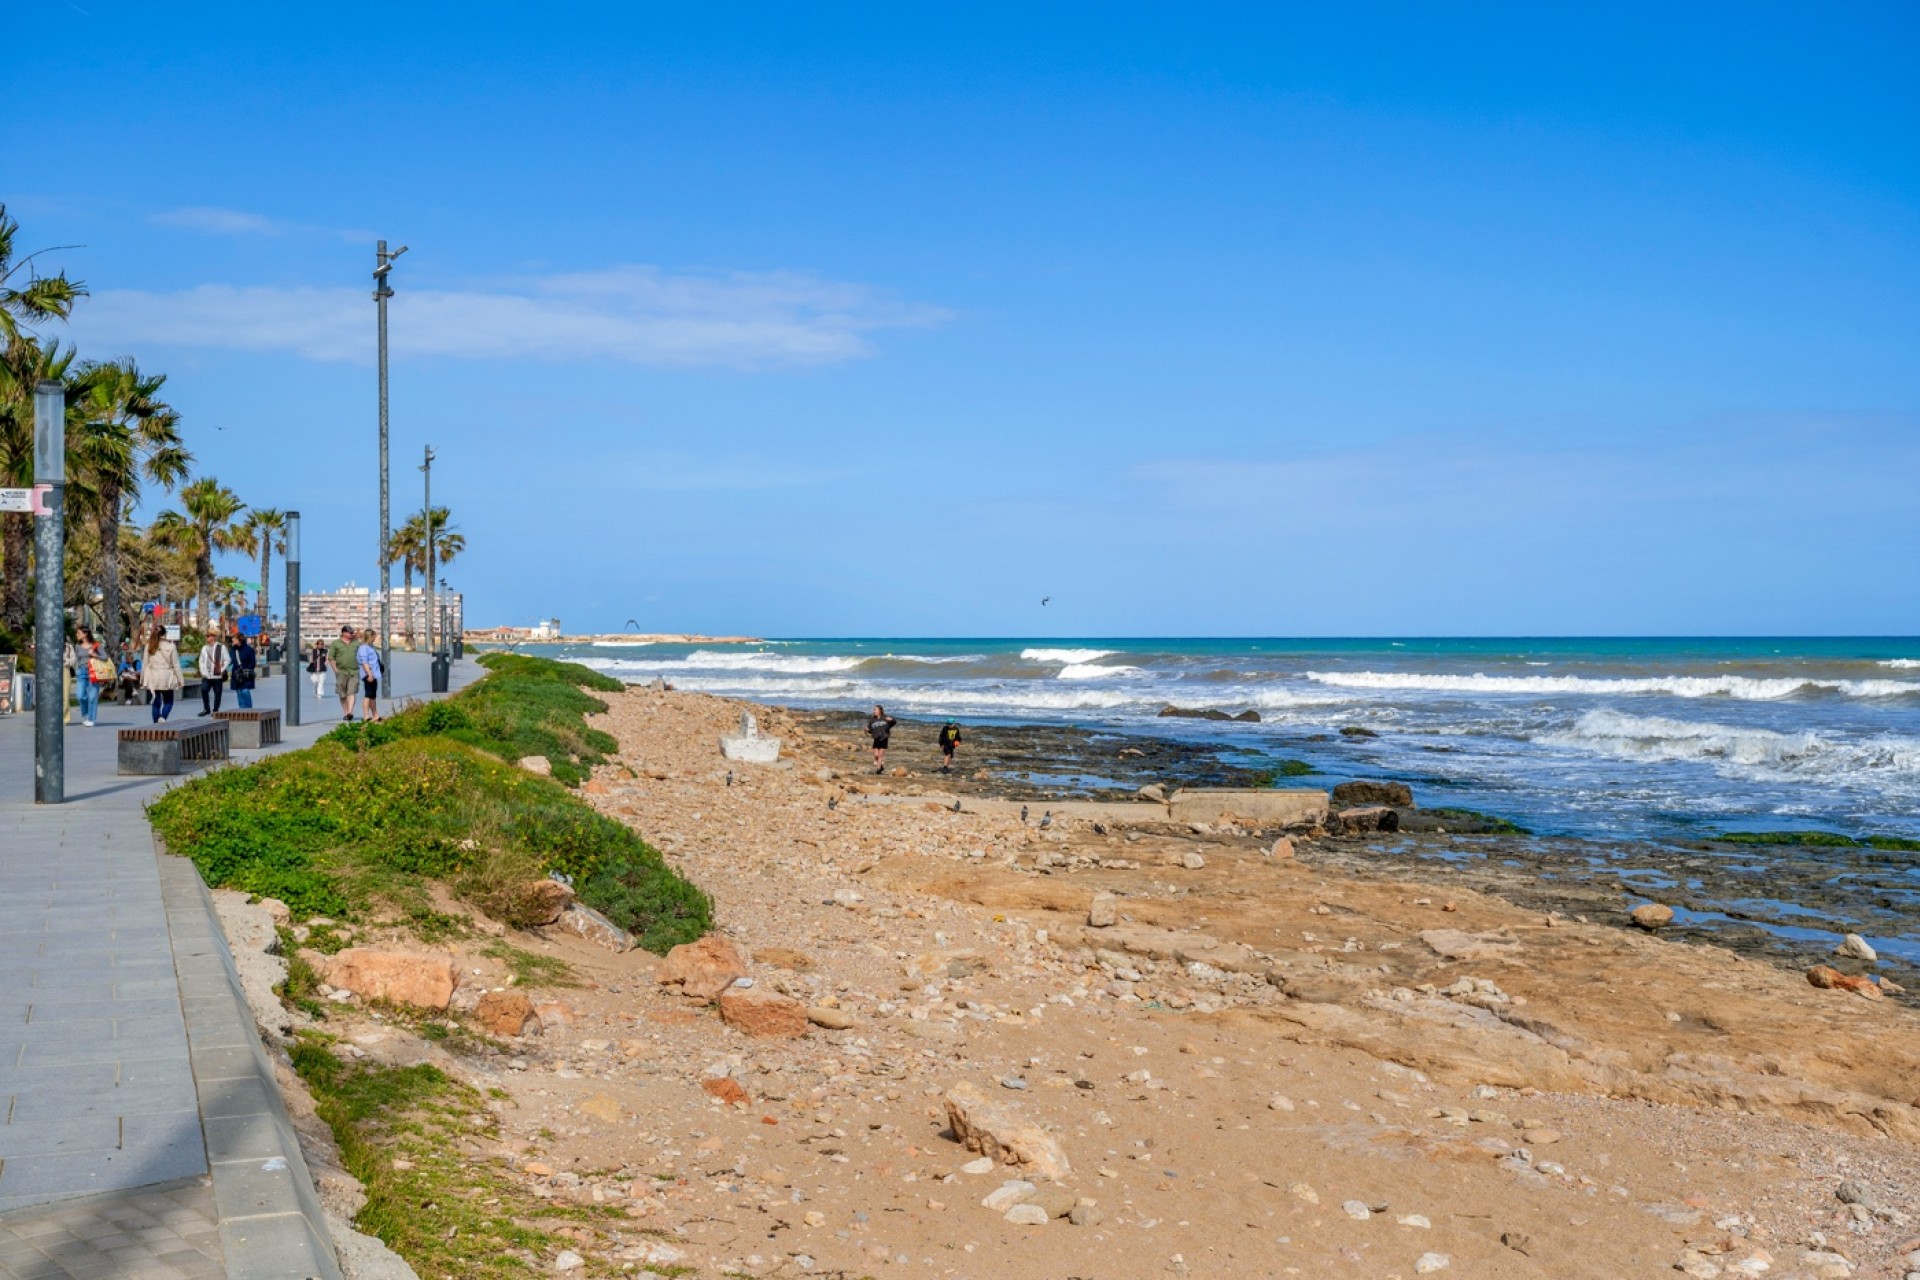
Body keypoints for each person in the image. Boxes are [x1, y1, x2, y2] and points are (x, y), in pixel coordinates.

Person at [140, 625, 183, 722]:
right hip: (167, 676)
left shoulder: (149, 646)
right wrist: (181, 680)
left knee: (156, 702)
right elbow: (176, 665)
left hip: (153, 677)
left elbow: (145, 664)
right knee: (168, 701)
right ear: (165, 634)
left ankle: (156, 723)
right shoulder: (171, 646)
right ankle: (163, 717)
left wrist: (142, 679)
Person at [328, 625, 360, 721]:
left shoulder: (356, 643)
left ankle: (350, 712)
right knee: (342, 694)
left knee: (352, 692)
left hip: (354, 671)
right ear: (344, 633)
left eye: (352, 633)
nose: (351, 634)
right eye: (350, 633)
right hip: (341, 672)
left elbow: (363, 653)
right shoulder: (336, 643)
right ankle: (346, 712)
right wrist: (335, 669)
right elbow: (331, 657)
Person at [77, 634, 110, 727]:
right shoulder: (78, 646)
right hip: (82, 672)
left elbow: (105, 657)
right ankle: (86, 714)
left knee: (92, 696)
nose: (77, 634)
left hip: (94, 672)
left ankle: (91, 718)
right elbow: (77, 659)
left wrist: (94, 654)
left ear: (85, 634)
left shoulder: (96, 645)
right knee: (80, 696)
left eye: (78, 632)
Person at [198, 631, 232, 715]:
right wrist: (202, 670)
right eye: (206, 636)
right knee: (204, 690)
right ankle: (206, 709)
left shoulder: (221, 647)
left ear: (213, 637)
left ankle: (215, 710)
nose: (206, 638)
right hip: (207, 675)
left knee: (217, 693)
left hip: (217, 675)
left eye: (208, 636)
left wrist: (222, 669)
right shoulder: (204, 648)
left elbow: (228, 659)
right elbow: (201, 661)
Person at [356, 628, 384, 722]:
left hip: (373, 674)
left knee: (372, 695)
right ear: (371, 636)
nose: (376, 638)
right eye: (375, 636)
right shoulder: (363, 648)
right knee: (368, 694)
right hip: (368, 674)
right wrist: (369, 674)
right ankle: (366, 715)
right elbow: (364, 662)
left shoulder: (370, 647)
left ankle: (375, 715)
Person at [866, 703, 897, 774]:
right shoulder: (872, 720)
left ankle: (878, 770)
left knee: (880, 755)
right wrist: (867, 730)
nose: (874, 711)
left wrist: (892, 719)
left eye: (876, 710)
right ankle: (881, 766)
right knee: (876, 755)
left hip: (884, 738)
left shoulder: (885, 718)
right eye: (874, 710)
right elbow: (870, 730)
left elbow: (894, 722)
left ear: (880, 710)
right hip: (876, 739)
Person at [232, 632, 257, 709]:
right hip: (237, 675)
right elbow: (230, 659)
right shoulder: (234, 650)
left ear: (239, 640)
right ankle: (242, 711)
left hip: (246, 675)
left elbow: (252, 662)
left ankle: (248, 711)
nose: (232, 641)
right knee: (239, 692)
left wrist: (246, 670)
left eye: (234, 639)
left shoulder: (249, 650)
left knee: (245, 691)